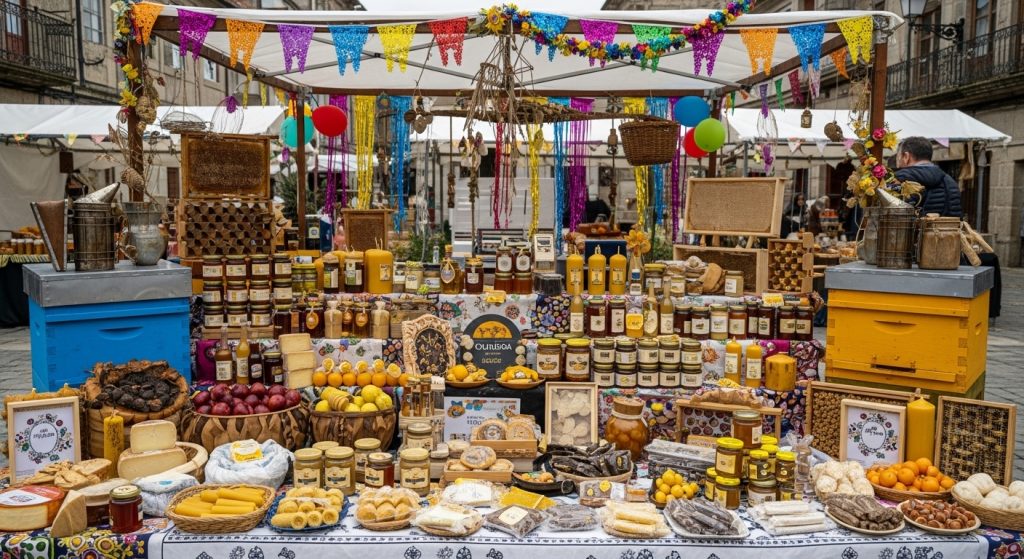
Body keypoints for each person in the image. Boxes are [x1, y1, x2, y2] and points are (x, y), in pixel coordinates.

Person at [894, 137, 963, 218]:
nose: (898, 162)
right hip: (947, 230)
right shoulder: (950, 181)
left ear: (906, 156)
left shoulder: (898, 180)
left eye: (898, 157)